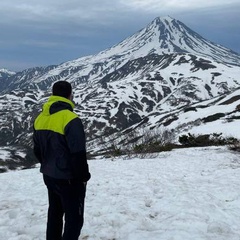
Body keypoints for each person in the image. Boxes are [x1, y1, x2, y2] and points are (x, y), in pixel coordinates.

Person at [33, 80, 91, 240]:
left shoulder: (40, 118)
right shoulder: (70, 119)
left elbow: (37, 150)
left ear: (53, 94)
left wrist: (47, 165)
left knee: (55, 214)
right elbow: (78, 153)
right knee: (74, 219)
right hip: (69, 179)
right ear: (69, 95)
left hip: (49, 175)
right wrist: (83, 178)